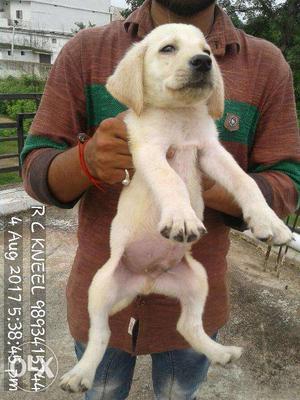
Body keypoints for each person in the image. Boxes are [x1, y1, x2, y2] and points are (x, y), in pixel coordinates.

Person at [21, 0, 300, 399]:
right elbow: (34, 167)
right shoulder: (87, 50)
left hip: (189, 288)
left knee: (177, 393)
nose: (198, 60)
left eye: (204, 55)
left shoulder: (265, 65)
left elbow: (288, 183)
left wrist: (210, 186)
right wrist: (85, 161)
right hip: (109, 278)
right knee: (100, 391)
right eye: (169, 50)